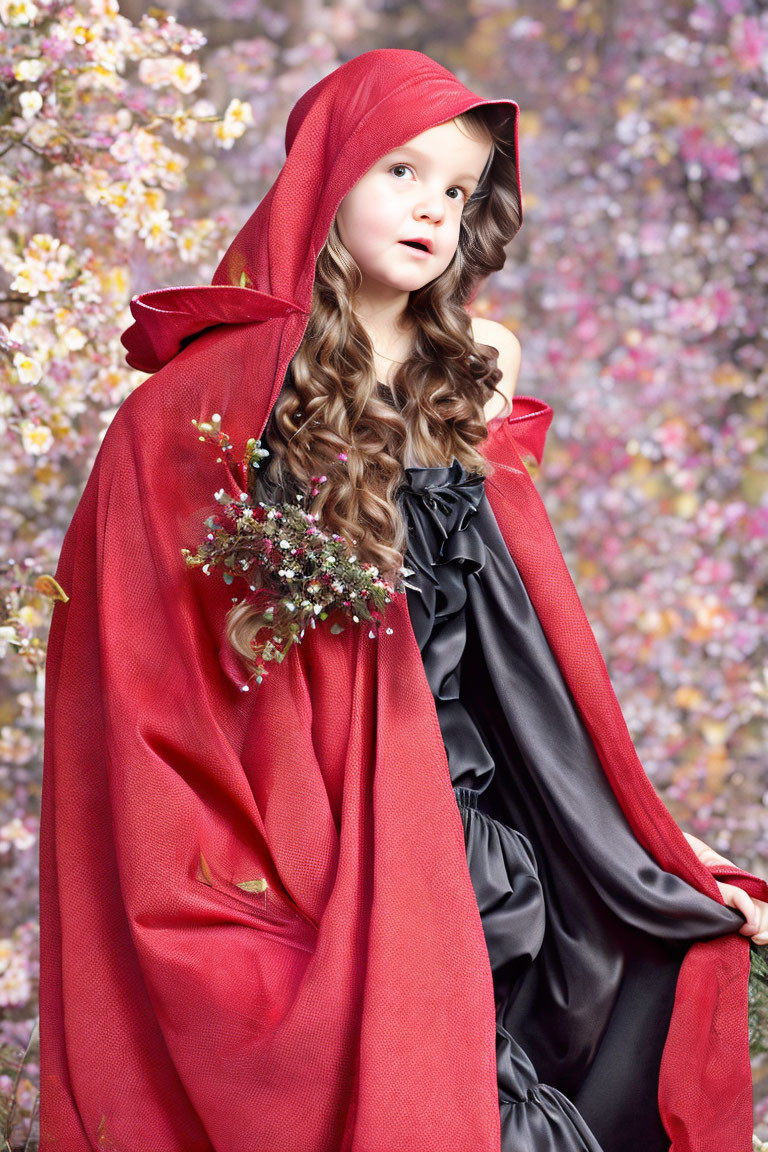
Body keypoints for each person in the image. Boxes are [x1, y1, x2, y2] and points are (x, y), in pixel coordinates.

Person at [40, 48, 767, 1152]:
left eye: (458, 190)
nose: (433, 209)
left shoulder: (473, 367)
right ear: (327, 174)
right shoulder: (203, 404)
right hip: (319, 850)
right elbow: (146, 683)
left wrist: (648, 842)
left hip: (478, 838)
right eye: (401, 172)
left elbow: (524, 650)